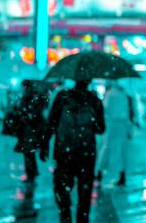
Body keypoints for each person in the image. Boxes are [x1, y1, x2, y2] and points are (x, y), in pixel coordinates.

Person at [43, 79, 105, 223]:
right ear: (89, 80)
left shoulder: (62, 96)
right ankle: (82, 218)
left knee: (62, 188)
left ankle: (65, 216)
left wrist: (45, 144)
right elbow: (101, 128)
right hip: (86, 152)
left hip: (64, 151)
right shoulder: (94, 99)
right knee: (84, 192)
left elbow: (52, 123)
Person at [96, 83, 133, 187]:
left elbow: (105, 109)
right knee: (122, 150)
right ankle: (123, 173)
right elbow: (127, 112)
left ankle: (99, 172)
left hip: (111, 124)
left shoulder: (109, 94)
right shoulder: (124, 95)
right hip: (122, 125)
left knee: (106, 147)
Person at [14, 80, 49, 183]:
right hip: (30, 129)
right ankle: (32, 172)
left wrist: (24, 115)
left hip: (29, 129)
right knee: (29, 152)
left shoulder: (30, 98)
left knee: (28, 152)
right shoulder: (33, 97)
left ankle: (31, 174)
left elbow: (32, 114)